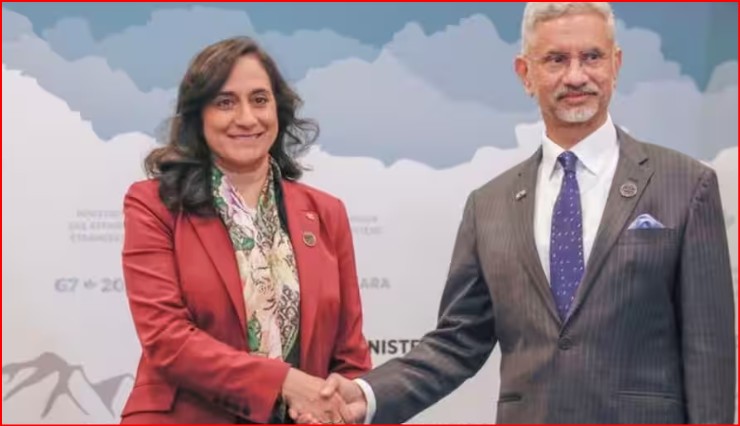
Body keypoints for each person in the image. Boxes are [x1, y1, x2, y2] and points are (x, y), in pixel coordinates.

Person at [304, 2, 736, 424]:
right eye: (555, 59)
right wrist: (368, 395)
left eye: (591, 57)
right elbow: (457, 341)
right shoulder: (488, 206)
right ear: (525, 73)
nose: (576, 75)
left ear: (616, 64)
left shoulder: (685, 184)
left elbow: (709, 349)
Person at [120, 36, 371, 424]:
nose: (247, 118)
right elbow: (166, 339)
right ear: (198, 116)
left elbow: (350, 355)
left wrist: (335, 408)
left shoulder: (326, 213)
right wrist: (283, 383)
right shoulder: (154, 204)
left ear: (278, 110)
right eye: (225, 102)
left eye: (259, 100)